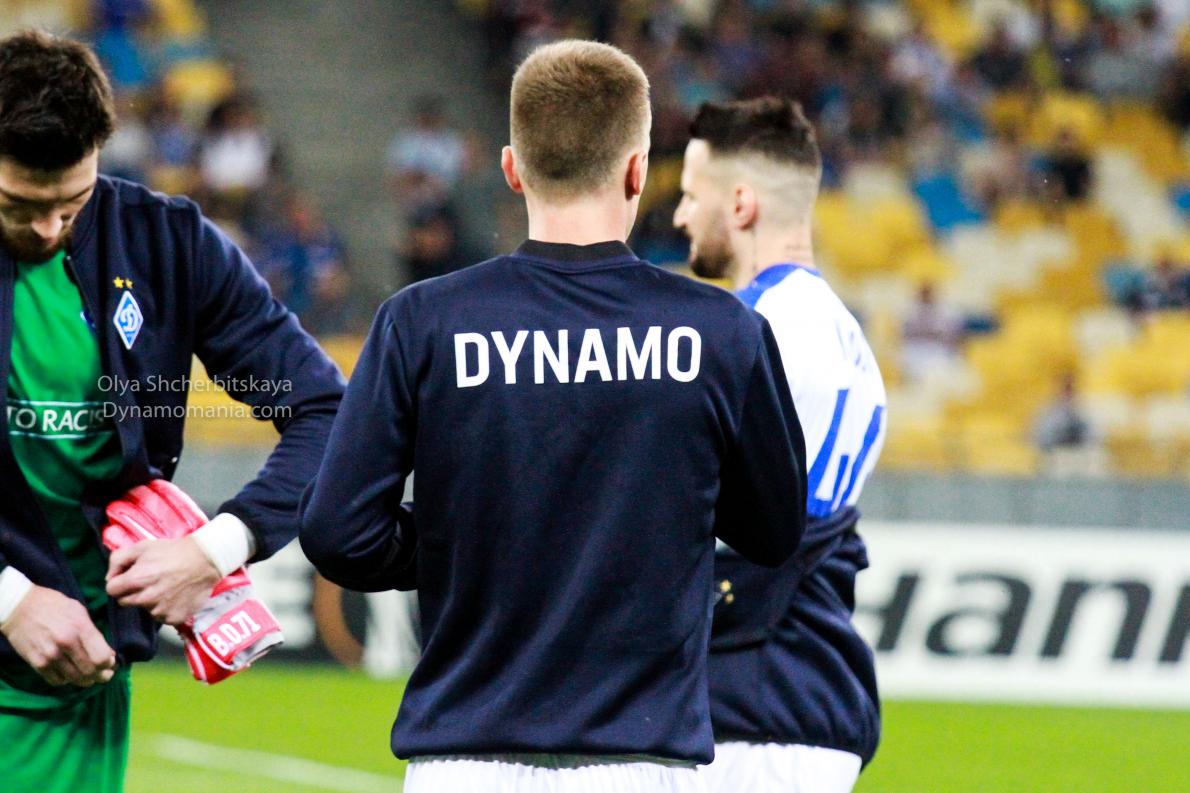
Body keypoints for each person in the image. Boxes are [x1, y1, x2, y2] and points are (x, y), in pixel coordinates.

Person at [300, 40, 807, 793]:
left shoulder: (422, 320)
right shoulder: (723, 330)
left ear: (513, 168)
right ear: (638, 170)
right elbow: (775, 531)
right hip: (642, 762)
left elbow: (336, 532)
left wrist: (454, 544)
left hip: (463, 760)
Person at [0, 31, 344, 793]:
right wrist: (10, 598)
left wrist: (215, 549)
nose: (50, 229)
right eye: (18, 206)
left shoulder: (169, 244)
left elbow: (325, 410)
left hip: (79, 688)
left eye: (71, 205)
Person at [673, 97, 888, 793]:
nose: (679, 217)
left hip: (749, 706)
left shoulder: (752, 330)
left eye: (690, 196)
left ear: (740, 204)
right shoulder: (845, 338)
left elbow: (739, 533)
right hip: (802, 693)